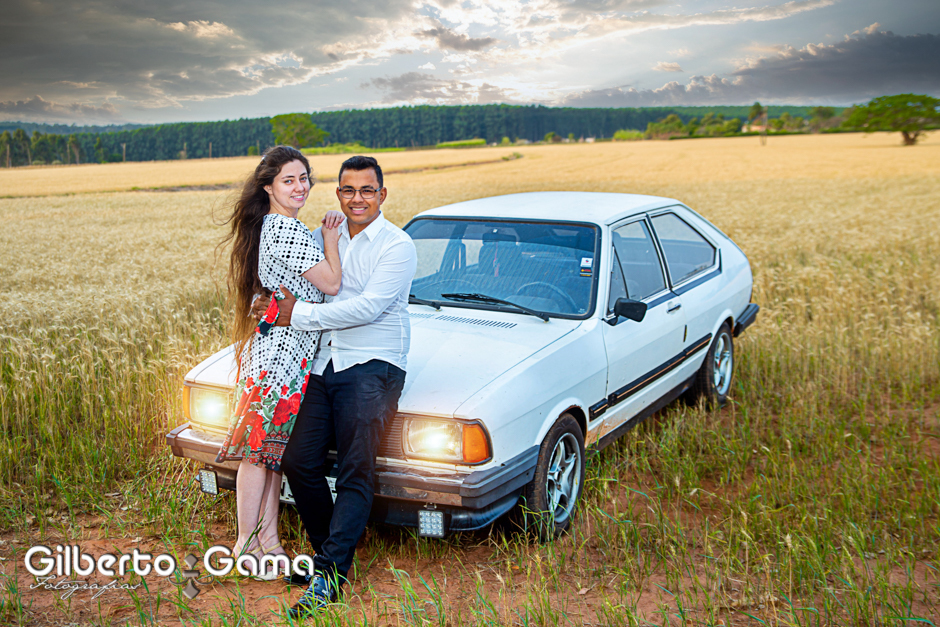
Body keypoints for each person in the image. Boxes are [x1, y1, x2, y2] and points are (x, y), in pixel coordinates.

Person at [250, 155, 416, 614]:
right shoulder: (326, 235)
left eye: (367, 190)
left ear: (382, 195)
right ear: (338, 193)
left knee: (355, 470)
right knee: (298, 460)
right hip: (324, 362)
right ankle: (332, 557)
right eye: (348, 190)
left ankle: (327, 573)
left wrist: (297, 314)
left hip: (373, 364)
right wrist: (266, 303)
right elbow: (291, 282)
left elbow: (368, 308)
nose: (357, 198)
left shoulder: (397, 245)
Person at [216, 145, 345, 579]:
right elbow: (331, 283)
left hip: (284, 357)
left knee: (271, 453)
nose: (299, 187)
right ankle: (245, 544)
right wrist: (330, 240)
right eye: (288, 180)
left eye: (304, 178)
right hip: (278, 361)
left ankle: (268, 541)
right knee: (258, 454)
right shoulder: (286, 230)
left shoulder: (279, 227)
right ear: (269, 187)